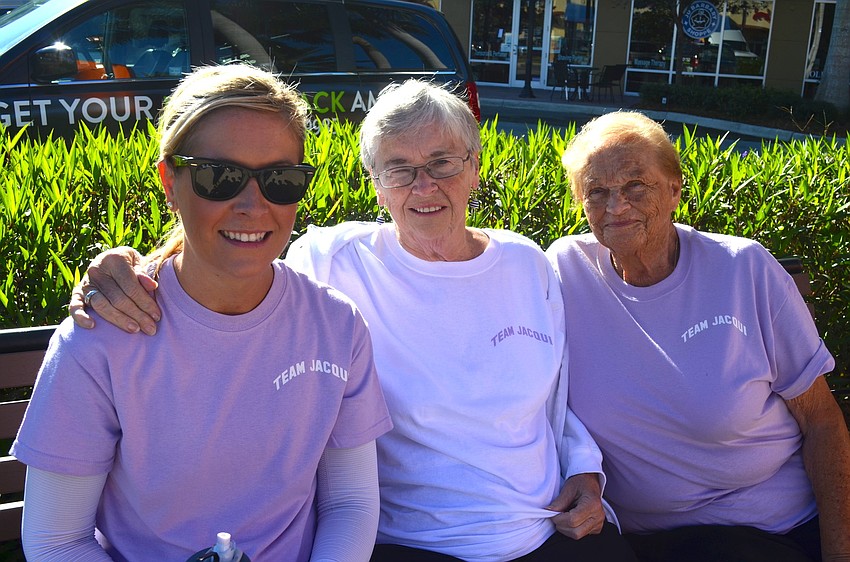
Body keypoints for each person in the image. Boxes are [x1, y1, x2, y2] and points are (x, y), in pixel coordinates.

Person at [68, 80, 638, 561]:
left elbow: (555, 398)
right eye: (400, 170)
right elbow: (230, 256)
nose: (425, 186)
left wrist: (585, 474)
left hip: (544, 529)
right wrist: (122, 268)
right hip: (412, 543)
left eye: (442, 162)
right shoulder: (335, 262)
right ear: (375, 184)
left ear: (474, 168)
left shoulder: (525, 262)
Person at [12, 63, 392, 561]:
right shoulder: (102, 335)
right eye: (221, 177)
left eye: (281, 179)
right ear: (170, 181)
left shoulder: (337, 326)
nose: (254, 206)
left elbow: (350, 502)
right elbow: (56, 541)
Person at [546, 110, 850, 562]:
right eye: (597, 192)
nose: (616, 207)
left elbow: (822, 422)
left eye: (635, 185)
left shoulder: (744, 270)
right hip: (634, 540)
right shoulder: (566, 271)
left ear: (674, 190)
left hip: (765, 531)